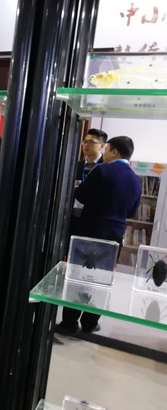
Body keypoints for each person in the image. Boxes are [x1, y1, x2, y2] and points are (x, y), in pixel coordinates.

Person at [60, 136, 142, 333]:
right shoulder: (135, 180)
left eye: (107, 149)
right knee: (102, 280)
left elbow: (81, 195)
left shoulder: (102, 170)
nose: (104, 153)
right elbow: (131, 212)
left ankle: (70, 322)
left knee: (80, 276)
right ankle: (90, 323)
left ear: (114, 152)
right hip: (115, 236)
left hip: (90, 230)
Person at [71, 128, 108, 236]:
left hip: (95, 220)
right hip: (73, 217)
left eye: (91, 142)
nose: (86, 145)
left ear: (102, 146)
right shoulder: (76, 165)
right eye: (85, 142)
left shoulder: (106, 167)